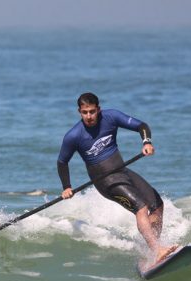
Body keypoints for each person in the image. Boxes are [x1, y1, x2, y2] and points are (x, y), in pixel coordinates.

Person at [57, 92, 177, 264]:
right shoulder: (74, 136)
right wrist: (66, 186)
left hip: (122, 172)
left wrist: (146, 142)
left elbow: (141, 126)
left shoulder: (111, 117)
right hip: (105, 181)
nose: (89, 116)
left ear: (98, 109)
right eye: (85, 112)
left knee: (157, 204)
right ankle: (157, 250)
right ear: (79, 112)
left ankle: (153, 249)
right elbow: (62, 162)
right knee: (141, 208)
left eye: (92, 111)